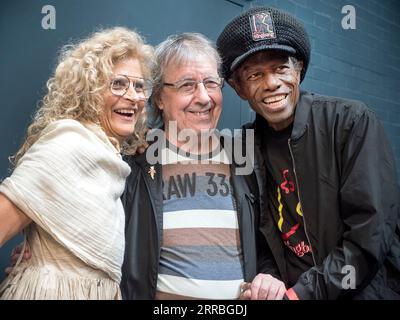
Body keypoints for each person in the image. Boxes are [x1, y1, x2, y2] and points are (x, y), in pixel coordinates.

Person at [216, 6, 400, 299]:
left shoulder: (351, 122)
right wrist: (271, 279)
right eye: (254, 75)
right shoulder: (246, 147)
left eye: (281, 68)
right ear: (238, 88)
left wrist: (300, 294)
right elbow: (261, 237)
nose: (271, 83)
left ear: (299, 69)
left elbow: (369, 236)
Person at [120, 32, 286, 300]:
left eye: (211, 83)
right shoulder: (136, 162)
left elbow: (266, 247)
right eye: (187, 85)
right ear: (160, 97)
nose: (204, 98)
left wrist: (268, 278)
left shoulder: (244, 159)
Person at [0, 27, 153, 299]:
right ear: (89, 91)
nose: (133, 96)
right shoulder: (67, 144)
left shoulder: (108, 158)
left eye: (139, 86)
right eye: (118, 83)